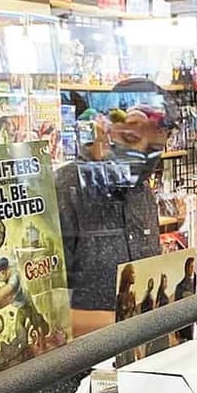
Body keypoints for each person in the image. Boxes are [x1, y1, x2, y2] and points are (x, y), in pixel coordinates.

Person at [55, 79, 175, 338]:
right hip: (80, 368)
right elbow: (44, 315)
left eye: (154, 149)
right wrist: (129, 324)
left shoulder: (141, 192)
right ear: (105, 129)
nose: (141, 156)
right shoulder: (66, 191)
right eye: (130, 139)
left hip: (137, 361)